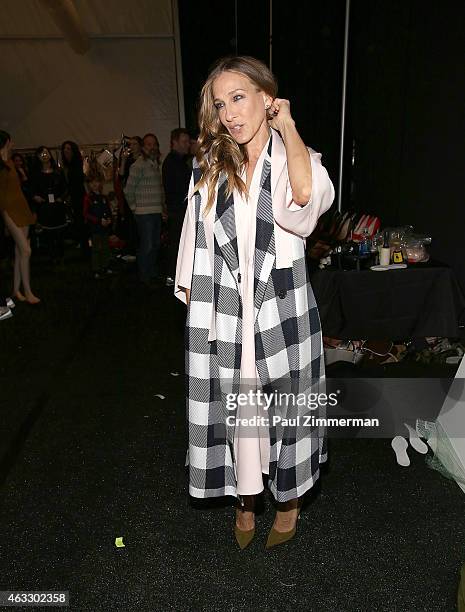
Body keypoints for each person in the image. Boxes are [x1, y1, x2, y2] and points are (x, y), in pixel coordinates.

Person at [174, 56, 335, 549]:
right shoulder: (211, 168)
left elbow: (305, 204)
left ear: (268, 98)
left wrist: (287, 126)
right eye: (220, 104)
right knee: (240, 417)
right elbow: (192, 242)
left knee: (286, 414)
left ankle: (287, 505)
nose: (228, 113)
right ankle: (246, 501)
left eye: (238, 98)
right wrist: (196, 306)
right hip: (226, 311)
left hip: (279, 308)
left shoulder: (295, 158)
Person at [0, 130, 40, 304]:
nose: (13, 143)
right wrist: (5, 218)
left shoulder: (10, 162)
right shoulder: (0, 165)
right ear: (6, 142)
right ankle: (28, 292)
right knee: (26, 250)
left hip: (21, 208)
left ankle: (17, 290)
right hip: (8, 211)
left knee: (20, 251)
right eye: (11, 141)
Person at [124, 133, 165, 287]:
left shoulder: (155, 165)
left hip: (155, 211)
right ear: (143, 147)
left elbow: (160, 190)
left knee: (155, 244)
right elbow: (128, 190)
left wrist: (163, 208)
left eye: (154, 144)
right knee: (147, 245)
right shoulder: (138, 165)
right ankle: (144, 276)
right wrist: (135, 209)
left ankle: (151, 273)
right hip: (143, 213)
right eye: (149, 144)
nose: (152, 147)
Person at [162, 128, 191, 286]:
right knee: (176, 244)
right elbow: (181, 188)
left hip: (178, 210)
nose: (187, 145)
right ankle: (172, 276)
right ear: (175, 142)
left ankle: (175, 275)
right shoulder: (173, 162)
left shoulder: (178, 161)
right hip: (178, 211)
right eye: (184, 141)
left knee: (178, 244)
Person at [31, 146, 68, 264]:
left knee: (60, 232)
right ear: (38, 157)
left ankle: (61, 255)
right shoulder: (36, 174)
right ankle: (52, 256)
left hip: (58, 206)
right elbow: (31, 190)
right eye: (41, 154)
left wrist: (61, 198)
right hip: (44, 207)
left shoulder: (58, 171)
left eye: (46, 153)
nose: (44, 155)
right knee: (48, 233)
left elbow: (66, 188)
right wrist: (35, 196)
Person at [83, 176, 113, 279]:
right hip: (95, 228)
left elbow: (108, 210)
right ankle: (96, 269)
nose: (94, 184)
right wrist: (98, 220)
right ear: (89, 185)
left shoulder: (104, 197)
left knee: (105, 247)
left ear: (100, 183)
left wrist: (109, 219)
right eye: (92, 182)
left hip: (104, 228)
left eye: (97, 181)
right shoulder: (88, 198)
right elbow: (86, 214)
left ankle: (105, 266)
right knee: (96, 249)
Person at [61, 140, 87, 256]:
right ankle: (82, 244)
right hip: (74, 197)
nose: (66, 151)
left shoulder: (78, 164)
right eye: (64, 149)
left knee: (81, 221)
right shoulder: (67, 166)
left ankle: (85, 247)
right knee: (78, 221)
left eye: (68, 149)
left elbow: (80, 181)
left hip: (80, 197)